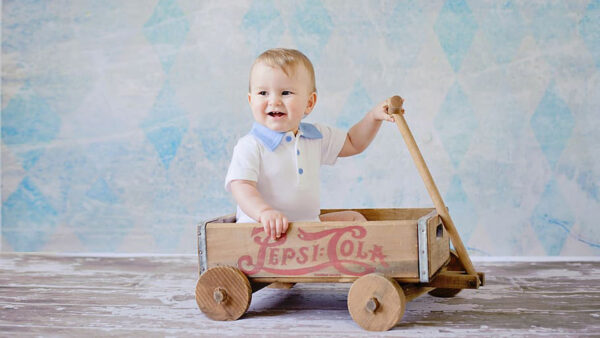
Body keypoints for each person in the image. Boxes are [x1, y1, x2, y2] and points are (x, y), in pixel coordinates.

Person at [225, 48, 396, 240]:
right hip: (262, 231)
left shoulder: (314, 136)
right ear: (250, 100)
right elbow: (241, 185)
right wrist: (264, 212)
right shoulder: (251, 145)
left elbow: (354, 142)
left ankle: (358, 264)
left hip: (305, 227)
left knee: (354, 220)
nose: (274, 101)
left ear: (309, 102)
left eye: (285, 92)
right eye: (263, 93)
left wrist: (373, 117)